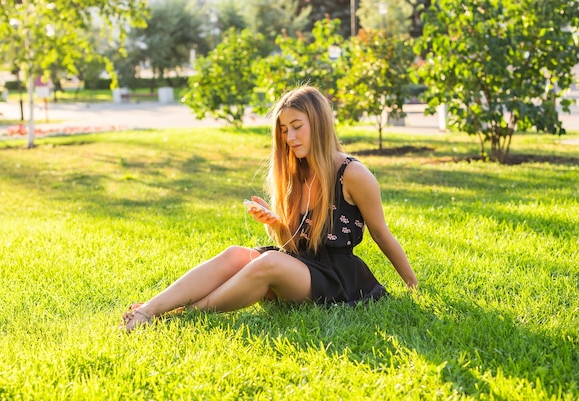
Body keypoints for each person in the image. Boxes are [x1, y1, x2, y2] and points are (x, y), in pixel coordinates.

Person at [121, 86, 418, 331]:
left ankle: (177, 318)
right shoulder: (297, 172)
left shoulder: (352, 174)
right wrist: (275, 224)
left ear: (319, 123)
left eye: (297, 127)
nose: (290, 138)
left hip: (337, 280)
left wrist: (413, 286)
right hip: (302, 268)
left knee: (267, 264)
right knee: (236, 254)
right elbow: (292, 245)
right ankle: (150, 309)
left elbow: (381, 234)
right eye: (285, 130)